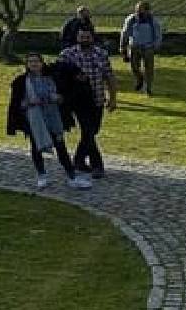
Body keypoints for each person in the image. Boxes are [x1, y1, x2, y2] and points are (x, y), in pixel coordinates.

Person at [7, 53, 92, 190]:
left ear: (42, 63)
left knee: (61, 147)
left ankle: (71, 176)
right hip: (35, 119)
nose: (34, 64)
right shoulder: (21, 81)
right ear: (27, 65)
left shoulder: (53, 78)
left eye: (36, 61)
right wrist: (29, 102)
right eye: (31, 62)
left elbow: (66, 93)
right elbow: (16, 104)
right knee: (36, 147)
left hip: (53, 116)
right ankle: (42, 175)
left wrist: (59, 98)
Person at [58, 30, 117, 179]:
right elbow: (59, 77)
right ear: (77, 38)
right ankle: (97, 165)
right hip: (78, 101)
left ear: (92, 38)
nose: (84, 39)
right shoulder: (68, 54)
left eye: (87, 37)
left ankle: (78, 160)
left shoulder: (101, 54)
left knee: (92, 130)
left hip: (97, 99)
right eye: (81, 37)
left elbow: (109, 76)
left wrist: (113, 97)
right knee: (88, 130)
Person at [120, 0, 162, 95]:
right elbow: (125, 33)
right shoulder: (131, 19)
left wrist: (155, 46)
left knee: (149, 69)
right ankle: (139, 79)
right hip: (134, 47)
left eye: (141, 10)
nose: (138, 12)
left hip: (148, 47)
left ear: (148, 10)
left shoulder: (153, 21)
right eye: (137, 9)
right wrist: (122, 47)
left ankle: (148, 88)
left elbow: (158, 35)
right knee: (134, 67)